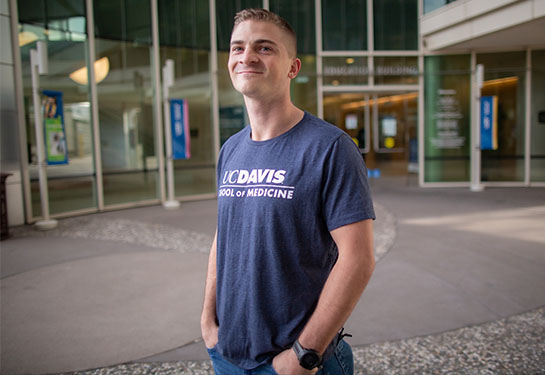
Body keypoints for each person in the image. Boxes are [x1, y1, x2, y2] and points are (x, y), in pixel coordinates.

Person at [201, 8, 375, 375]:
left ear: (293, 68)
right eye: (237, 48)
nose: (246, 57)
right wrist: (208, 321)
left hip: (294, 363)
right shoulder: (230, 149)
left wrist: (304, 355)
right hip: (226, 353)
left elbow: (357, 259)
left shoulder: (330, 147)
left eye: (264, 48)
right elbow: (225, 235)